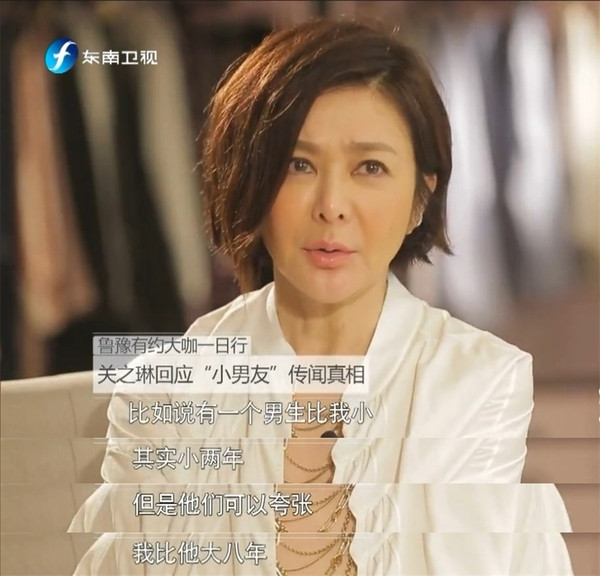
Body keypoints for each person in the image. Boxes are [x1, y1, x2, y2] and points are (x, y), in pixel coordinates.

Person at [70, 18, 573, 575]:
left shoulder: (479, 383)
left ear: (419, 199)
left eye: (370, 167)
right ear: (252, 182)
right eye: (299, 165)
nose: (331, 205)